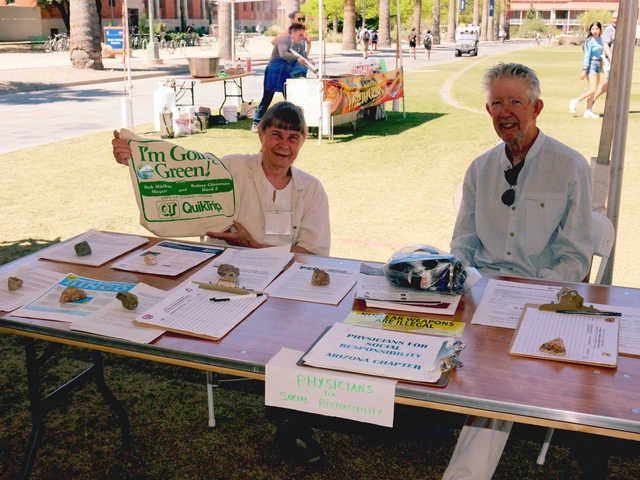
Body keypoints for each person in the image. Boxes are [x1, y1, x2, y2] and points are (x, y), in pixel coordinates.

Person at [444, 62, 592, 479]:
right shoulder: (480, 168)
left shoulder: (569, 167)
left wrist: (530, 294)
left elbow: (576, 257)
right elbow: (464, 241)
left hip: (539, 297)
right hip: (482, 292)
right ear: (488, 111)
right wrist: (467, 278)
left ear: (537, 107)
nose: (505, 112)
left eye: (515, 102)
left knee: (496, 375)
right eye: (497, 103)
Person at [112, 102, 330, 257]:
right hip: (223, 272)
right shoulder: (230, 168)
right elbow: (177, 179)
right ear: (261, 134)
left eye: (293, 137)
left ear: (302, 142)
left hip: (284, 281)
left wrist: (253, 246)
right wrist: (136, 159)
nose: (284, 145)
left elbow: (312, 253)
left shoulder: (310, 189)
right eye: (276, 134)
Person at [251, 24, 312, 133]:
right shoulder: (283, 40)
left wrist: (308, 61)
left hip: (286, 73)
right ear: (292, 32)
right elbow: (283, 54)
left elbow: (303, 56)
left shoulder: (300, 44)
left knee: (290, 99)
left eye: (303, 35)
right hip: (274, 71)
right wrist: (297, 58)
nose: (301, 37)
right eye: (300, 35)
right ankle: (256, 122)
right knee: (267, 99)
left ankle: (293, 123)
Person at [569, 21, 604, 119]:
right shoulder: (590, 41)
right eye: (593, 29)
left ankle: (588, 111)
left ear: (600, 30)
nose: (595, 31)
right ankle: (576, 101)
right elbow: (587, 55)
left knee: (593, 90)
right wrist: (585, 69)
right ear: (590, 30)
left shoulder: (601, 39)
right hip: (591, 64)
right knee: (593, 89)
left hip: (598, 64)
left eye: (597, 29)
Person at [592, 11, 617, 110]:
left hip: (619, 61)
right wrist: (611, 58)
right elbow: (605, 45)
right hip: (610, 61)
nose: (615, 20)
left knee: (615, 83)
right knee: (612, 83)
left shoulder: (620, 29)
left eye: (617, 18)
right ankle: (592, 98)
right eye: (614, 18)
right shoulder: (609, 30)